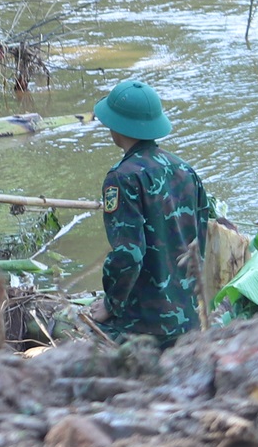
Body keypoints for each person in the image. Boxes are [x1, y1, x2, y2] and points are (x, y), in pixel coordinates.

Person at [87, 79, 213, 345]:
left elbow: (128, 255)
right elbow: (201, 240)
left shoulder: (122, 178)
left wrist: (110, 304)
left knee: (84, 340)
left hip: (144, 325)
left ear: (116, 127)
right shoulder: (186, 170)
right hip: (188, 319)